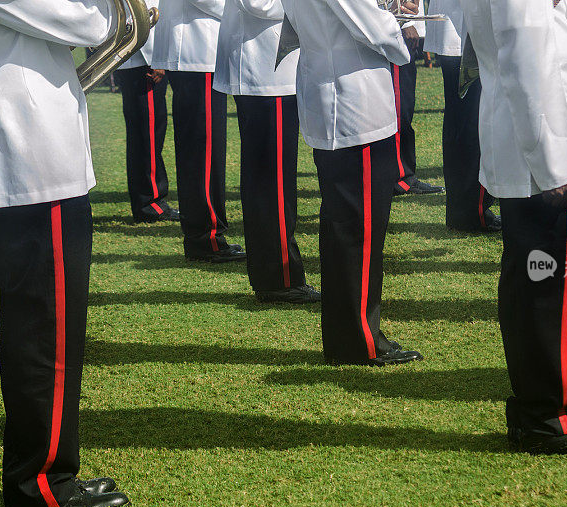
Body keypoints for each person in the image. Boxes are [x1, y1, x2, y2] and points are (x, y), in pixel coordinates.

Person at [0, 0, 129, 507]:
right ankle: (40, 482)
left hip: (35, 144)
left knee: (48, 324)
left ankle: (46, 472)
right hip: (30, 149)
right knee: (43, 329)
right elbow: (91, 23)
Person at [459, 0, 567, 454]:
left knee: (535, 284)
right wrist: (555, 163)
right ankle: (550, 417)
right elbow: (527, 55)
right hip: (552, 143)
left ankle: (536, 410)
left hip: (545, 137)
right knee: (550, 290)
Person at [280, 0, 423, 366]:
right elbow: (374, 29)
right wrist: (401, 25)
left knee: (346, 228)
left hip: (333, 91)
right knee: (357, 231)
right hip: (352, 97)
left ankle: (350, 336)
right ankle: (358, 341)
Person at [214, 0, 320, 304]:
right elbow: (258, 4)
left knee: (274, 184)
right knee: (270, 186)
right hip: (264, 68)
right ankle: (279, 279)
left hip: (274, 67)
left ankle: (277, 275)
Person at [152, 0, 246, 263]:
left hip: (198, 49)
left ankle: (205, 236)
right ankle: (206, 238)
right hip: (197, 48)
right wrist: (242, 10)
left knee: (202, 152)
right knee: (203, 155)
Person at [424, 0, 501, 232]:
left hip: (460, 30)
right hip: (467, 32)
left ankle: (464, 211)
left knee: (462, 125)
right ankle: (471, 212)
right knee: (471, 126)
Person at [113, 0, 179, 223]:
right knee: (148, 136)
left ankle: (147, 201)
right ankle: (150, 203)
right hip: (142, 57)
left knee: (145, 135)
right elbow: (143, 9)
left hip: (133, 55)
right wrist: (155, 57)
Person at [392, 12, 445, 196]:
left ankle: (404, 175)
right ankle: (400, 177)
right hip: (396, 28)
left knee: (404, 106)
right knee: (399, 110)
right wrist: (404, 22)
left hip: (401, 25)